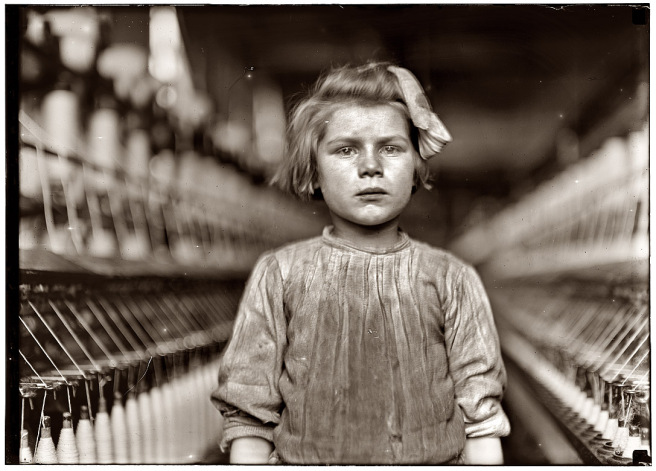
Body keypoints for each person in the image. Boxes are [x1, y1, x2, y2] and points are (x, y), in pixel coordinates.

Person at [211, 62, 511, 465]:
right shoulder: (280, 274)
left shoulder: (452, 278)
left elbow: (481, 422)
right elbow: (249, 418)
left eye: (390, 147)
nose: (371, 166)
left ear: (416, 168)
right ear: (314, 171)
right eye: (346, 149)